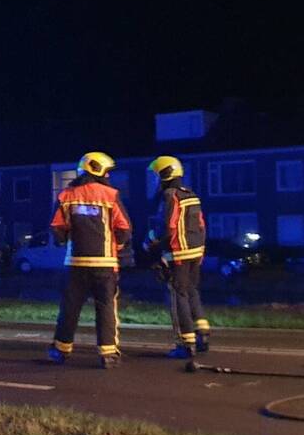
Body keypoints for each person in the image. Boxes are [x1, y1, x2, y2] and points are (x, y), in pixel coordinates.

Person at [47, 152, 132, 369]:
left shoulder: (66, 195)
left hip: (75, 263)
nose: (108, 176)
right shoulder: (110, 195)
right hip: (105, 264)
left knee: (70, 308)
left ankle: (60, 350)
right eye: (107, 172)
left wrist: (65, 239)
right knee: (106, 308)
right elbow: (124, 228)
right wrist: (117, 249)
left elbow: (57, 227)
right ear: (98, 170)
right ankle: (108, 353)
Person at [144, 155, 210, 357]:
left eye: (156, 176)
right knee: (192, 291)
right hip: (195, 252)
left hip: (178, 252)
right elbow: (201, 225)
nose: (155, 181)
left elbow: (167, 226)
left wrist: (150, 240)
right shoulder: (191, 195)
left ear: (165, 175)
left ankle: (185, 343)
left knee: (177, 294)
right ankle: (202, 334)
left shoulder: (170, 196)